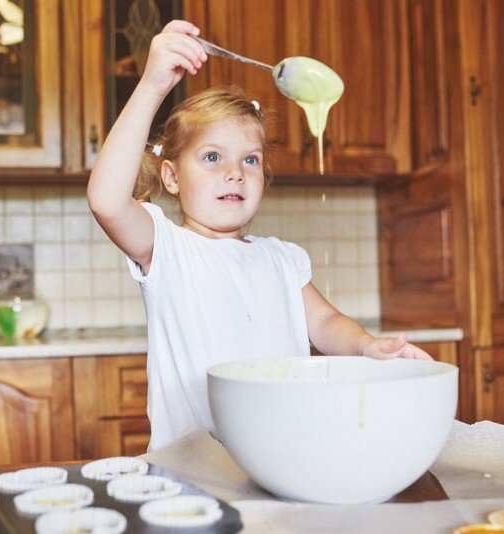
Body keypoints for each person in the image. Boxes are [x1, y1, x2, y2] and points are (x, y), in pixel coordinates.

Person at [87, 20, 432, 451]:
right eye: (212, 156)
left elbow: (324, 323)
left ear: (264, 178)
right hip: (194, 470)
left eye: (250, 160)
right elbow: (106, 200)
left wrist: (366, 346)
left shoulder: (283, 259)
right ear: (171, 177)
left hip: (279, 458)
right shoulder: (168, 249)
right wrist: (153, 86)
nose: (234, 171)